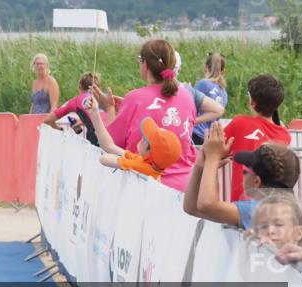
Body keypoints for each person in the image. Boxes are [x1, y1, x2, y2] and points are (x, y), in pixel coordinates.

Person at [90, 39, 197, 191]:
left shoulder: (135, 98)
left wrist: (109, 110)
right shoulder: (187, 97)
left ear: (145, 65)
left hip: (143, 186)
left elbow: (111, 144)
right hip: (184, 187)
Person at [182, 122, 301, 231]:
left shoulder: (262, 210)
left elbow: (206, 205)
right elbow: (192, 208)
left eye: (245, 170)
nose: (242, 172)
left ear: (256, 181)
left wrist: (212, 158)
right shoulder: (284, 207)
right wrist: (199, 169)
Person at [222, 74, 290, 202]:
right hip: (270, 204)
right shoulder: (285, 136)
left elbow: (215, 148)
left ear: (252, 101)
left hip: (241, 204)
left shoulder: (240, 123)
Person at [85, 102, 182, 181]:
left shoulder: (143, 168)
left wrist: (125, 163)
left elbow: (103, 159)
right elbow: (109, 146)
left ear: (150, 152)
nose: (142, 136)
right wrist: (95, 114)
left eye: (145, 138)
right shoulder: (146, 163)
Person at [44, 72, 103, 145]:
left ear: (80, 87)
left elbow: (48, 120)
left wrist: (60, 130)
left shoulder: (75, 101)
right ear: (98, 87)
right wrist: (84, 121)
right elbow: (100, 117)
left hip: (96, 136)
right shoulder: (107, 98)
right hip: (112, 133)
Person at [192, 52, 228, 145]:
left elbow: (191, 105)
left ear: (205, 68)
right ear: (223, 71)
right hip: (209, 137)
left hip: (196, 132)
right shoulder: (223, 92)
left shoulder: (202, 83)